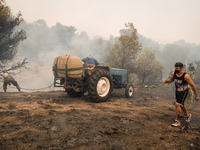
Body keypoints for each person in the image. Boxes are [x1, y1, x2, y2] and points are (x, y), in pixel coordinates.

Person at [164, 62, 199, 127]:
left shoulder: (186, 76)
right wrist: (167, 81)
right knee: (181, 104)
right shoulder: (174, 73)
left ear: (181, 68)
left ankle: (177, 121)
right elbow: (172, 80)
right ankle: (188, 116)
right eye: (175, 68)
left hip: (184, 92)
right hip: (177, 92)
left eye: (177, 68)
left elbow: (193, 85)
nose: (176, 69)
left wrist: (196, 95)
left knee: (177, 105)